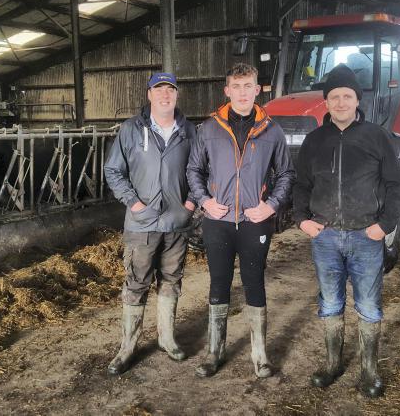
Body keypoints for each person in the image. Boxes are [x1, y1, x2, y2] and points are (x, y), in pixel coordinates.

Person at [292, 64, 400, 397]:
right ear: (326, 102)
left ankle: (370, 371)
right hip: (325, 237)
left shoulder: (377, 137)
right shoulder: (314, 140)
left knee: (369, 305)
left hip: (365, 236)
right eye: (334, 97)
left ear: (357, 100)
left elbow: (397, 184)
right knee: (330, 302)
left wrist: (384, 226)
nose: (341, 102)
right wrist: (302, 219)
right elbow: (301, 184)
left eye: (347, 96)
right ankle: (332, 364)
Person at [187, 63, 295, 378]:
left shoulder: (272, 130)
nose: (243, 92)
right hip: (218, 220)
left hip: (254, 220)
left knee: (254, 281)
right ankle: (214, 352)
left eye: (248, 86)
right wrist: (205, 201)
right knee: (219, 282)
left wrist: (271, 206)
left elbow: (286, 173)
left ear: (257, 90)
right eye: (237, 86)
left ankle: (260, 355)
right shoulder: (209, 129)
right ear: (227, 90)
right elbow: (193, 169)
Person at [103, 72, 197, 375]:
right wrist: (134, 203)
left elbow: (200, 170)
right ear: (149, 94)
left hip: (176, 223)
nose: (165, 95)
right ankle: (128, 347)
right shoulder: (131, 129)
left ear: (177, 95)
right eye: (159, 89)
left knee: (171, 279)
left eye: (170, 89)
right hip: (141, 224)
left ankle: (167, 339)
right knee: (136, 282)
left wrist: (190, 205)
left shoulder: (189, 131)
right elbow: (113, 170)